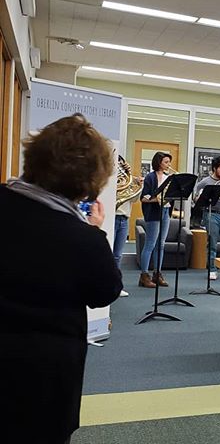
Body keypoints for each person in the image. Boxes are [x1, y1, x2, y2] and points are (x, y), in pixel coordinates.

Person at [0, 114, 122, 444]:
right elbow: (105, 290)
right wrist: (95, 232)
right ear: (89, 184)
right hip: (43, 385)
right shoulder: (82, 240)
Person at [194, 156, 220, 280]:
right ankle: (212, 269)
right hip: (211, 214)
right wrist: (201, 198)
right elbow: (196, 198)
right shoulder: (205, 182)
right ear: (215, 168)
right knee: (212, 244)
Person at [138, 152, 173, 288]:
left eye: (169, 162)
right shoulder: (150, 177)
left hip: (166, 211)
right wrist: (156, 199)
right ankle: (144, 275)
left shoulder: (168, 178)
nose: (168, 165)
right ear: (159, 163)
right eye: (166, 162)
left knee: (161, 244)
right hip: (154, 212)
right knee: (150, 244)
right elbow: (143, 198)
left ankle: (157, 274)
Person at [112, 157, 142, 297]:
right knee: (108, 253)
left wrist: (136, 184)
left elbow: (134, 199)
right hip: (113, 216)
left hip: (124, 218)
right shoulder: (110, 179)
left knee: (118, 255)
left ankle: (116, 286)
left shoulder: (127, 180)